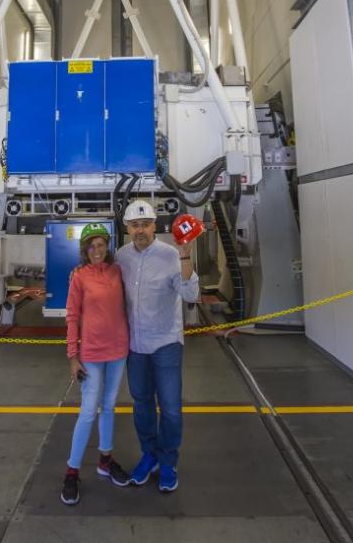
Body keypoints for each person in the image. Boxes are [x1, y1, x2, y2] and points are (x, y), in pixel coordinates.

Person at [115, 201, 202, 493]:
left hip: (166, 342)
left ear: (155, 225)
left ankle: (168, 461)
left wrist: (186, 257)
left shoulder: (169, 254)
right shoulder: (120, 257)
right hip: (135, 345)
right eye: (135, 225)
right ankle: (149, 454)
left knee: (171, 408)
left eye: (146, 224)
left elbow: (191, 293)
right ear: (127, 228)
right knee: (141, 405)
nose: (140, 230)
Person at [61, 222, 131, 506]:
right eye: (92, 246)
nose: (97, 251)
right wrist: (72, 356)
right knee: (89, 411)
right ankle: (71, 471)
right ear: (85, 250)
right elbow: (72, 317)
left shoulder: (118, 271)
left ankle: (105, 460)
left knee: (110, 406)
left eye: (101, 245)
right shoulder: (79, 276)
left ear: (107, 247)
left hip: (118, 351)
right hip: (91, 353)